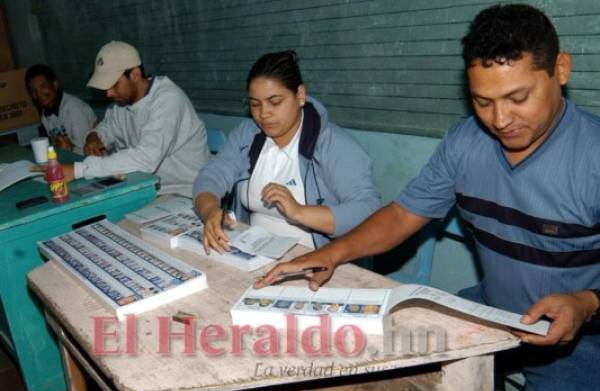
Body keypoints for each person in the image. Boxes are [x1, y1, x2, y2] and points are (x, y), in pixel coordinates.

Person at [256, 5, 600, 391]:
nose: (500, 120)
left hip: (582, 338)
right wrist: (331, 252)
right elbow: (402, 216)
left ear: (561, 69)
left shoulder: (592, 156)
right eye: (483, 101)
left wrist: (586, 302)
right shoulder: (465, 144)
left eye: (518, 98)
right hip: (493, 312)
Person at [193, 50, 380, 252]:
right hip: (253, 249)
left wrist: (299, 212)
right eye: (255, 104)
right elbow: (212, 175)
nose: (264, 114)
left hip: (318, 256)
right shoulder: (247, 135)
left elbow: (367, 210)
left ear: (300, 95)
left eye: (275, 102)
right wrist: (210, 210)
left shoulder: (333, 144)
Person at [63, 41, 210, 197]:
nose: (109, 94)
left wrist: (80, 170)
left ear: (135, 75)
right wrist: (94, 137)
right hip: (148, 188)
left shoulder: (168, 100)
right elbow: (107, 127)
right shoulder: (122, 103)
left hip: (188, 193)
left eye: (113, 85)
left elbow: (145, 159)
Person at [25, 64, 97, 154]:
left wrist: (68, 148)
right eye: (33, 91)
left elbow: (86, 151)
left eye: (43, 87)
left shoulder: (74, 110)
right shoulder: (45, 113)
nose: (38, 94)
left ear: (55, 84)